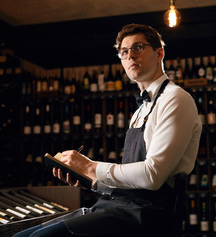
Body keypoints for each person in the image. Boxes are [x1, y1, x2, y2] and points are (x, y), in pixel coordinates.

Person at [13, 23, 202, 237]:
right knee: (20, 235)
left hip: (147, 215)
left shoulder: (176, 99)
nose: (130, 55)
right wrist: (89, 179)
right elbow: (131, 179)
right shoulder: (140, 110)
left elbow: (152, 176)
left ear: (160, 53)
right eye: (124, 51)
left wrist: (91, 166)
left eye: (138, 47)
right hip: (117, 206)